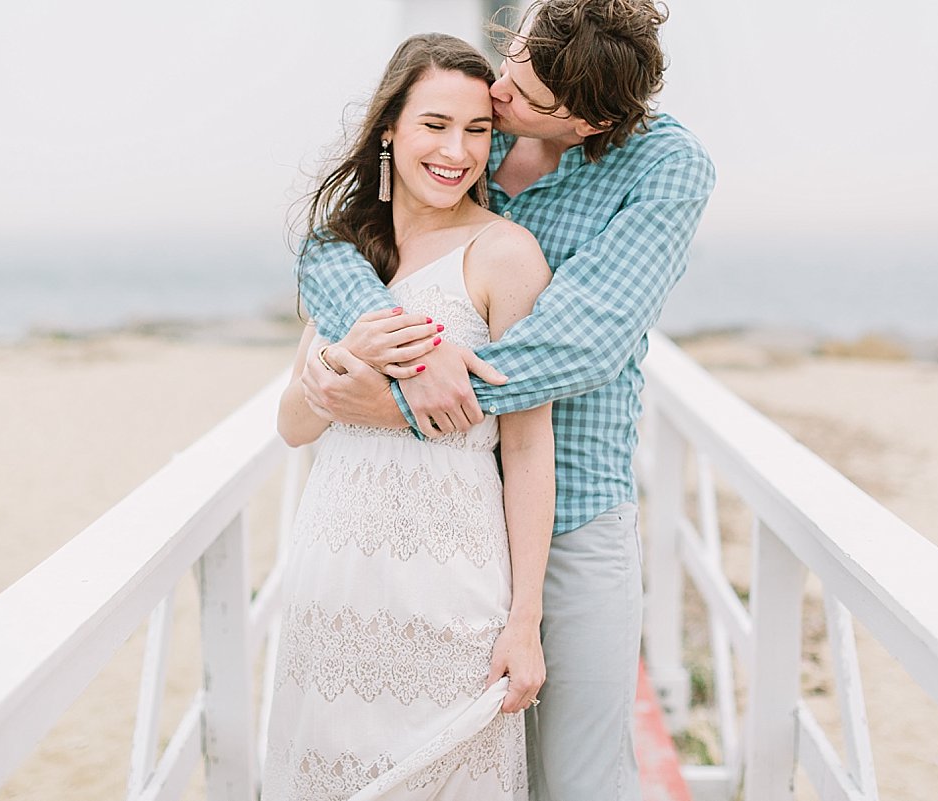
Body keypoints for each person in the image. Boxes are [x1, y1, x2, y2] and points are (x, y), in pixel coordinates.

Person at [299, 2, 716, 799]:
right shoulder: (471, 138)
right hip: (448, 527)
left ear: (589, 121)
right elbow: (336, 243)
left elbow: (581, 343)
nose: (497, 96)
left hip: (569, 515)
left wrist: (403, 401)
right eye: (511, 59)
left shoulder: (665, 168)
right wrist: (390, 338)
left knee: (577, 776)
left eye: (527, 100)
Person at [262, 33, 555, 801]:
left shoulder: (506, 254)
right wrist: (340, 358)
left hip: (450, 587)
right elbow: (294, 424)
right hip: (333, 578)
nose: (456, 150)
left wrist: (525, 619)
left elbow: (526, 448)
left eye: (477, 129)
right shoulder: (351, 255)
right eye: (434, 124)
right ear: (389, 126)